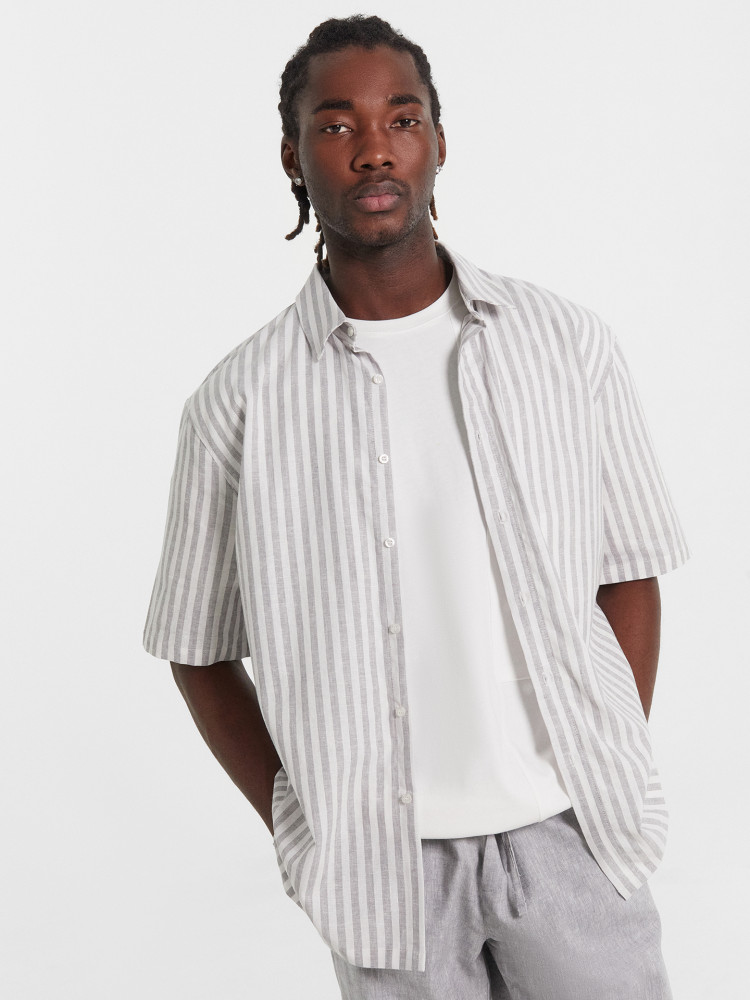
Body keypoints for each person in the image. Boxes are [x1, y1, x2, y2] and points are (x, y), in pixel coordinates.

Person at [142, 14, 689, 999]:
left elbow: (630, 571)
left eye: (402, 118)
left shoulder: (564, 345)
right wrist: (304, 820)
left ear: (439, 141)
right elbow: (198, 649)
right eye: (337, 125)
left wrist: (598, 758)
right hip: (382, 876)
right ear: (293, 155)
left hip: (571, 837)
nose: (375, 148)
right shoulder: (238, 403)